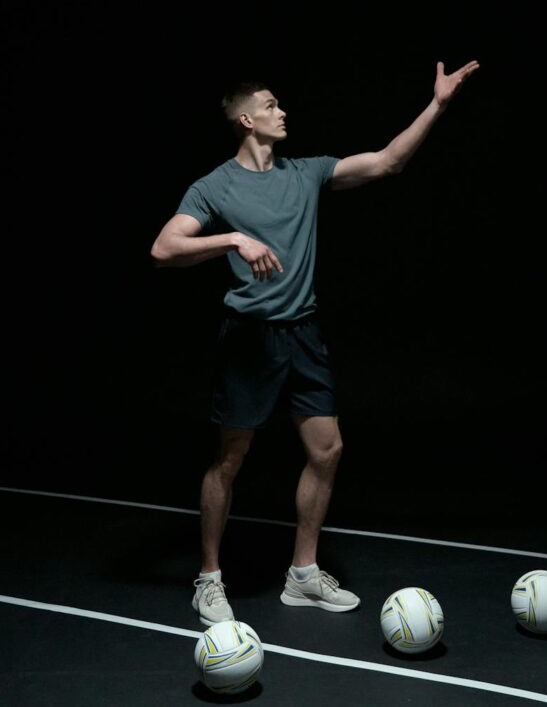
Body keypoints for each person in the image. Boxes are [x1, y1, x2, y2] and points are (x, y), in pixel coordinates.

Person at [150, 59, 480, 625]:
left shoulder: (305, 173)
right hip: (249, 338)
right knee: (230, 459)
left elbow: (388, 161)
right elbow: (163, 249)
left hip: (302, 333)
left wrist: (438, 105)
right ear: (247, 120)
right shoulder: (214, 186)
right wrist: (232, 239)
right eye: (271, 105)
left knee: (327, 450)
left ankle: (302, 575)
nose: (283, 112)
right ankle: (209, 578)